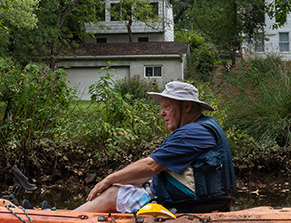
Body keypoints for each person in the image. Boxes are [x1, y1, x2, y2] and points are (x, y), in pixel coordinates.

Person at [75, 81, 236, 214]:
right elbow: (147, 173)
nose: (162, 113)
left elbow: (150, 166)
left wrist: (108, 180)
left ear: (186, 107)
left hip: (189, 208)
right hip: (199, 203)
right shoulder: (203, 127)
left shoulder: (193, 133)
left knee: (113, 193)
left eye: (167, 106)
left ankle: (67, 220)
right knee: (125, 187)